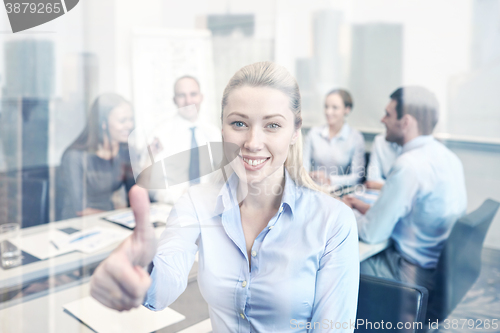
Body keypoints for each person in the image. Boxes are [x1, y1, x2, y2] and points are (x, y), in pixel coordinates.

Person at [90, 62, 359, 332]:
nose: (253, 142)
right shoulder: (197, 202)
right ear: (222, 128)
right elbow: (164, 286)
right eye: (239, 123)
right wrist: (143, 269)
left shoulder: (332, 221)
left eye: (273, 125)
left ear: (295, 131)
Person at [343, 86, 467, 290]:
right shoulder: (448, 157)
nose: (383, 120)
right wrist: (362, 207)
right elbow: (409, 215)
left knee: (340, 263)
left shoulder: (408, 166)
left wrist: (343, 209)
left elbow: (371, 234)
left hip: (411, 273)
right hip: (437, 269)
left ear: (406, 122)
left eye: (388, 114)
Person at [59, 93, 136, 220]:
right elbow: (80, 210)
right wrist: (118, 214)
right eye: (123, 121)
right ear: (103, 123)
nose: (130, 125)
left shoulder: (125, 151)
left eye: (131, 119)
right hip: (78, 224)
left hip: (110, 219)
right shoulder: (74, 157)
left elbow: (133, 192)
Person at [147, 75, 221, 204]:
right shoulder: (160, 134)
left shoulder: (213, 132)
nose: (188, 101)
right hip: (172, 206)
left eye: (193, 94)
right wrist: (180, 197)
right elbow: (152, 183)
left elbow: (220, 175)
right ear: (174, 100)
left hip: (209, 205)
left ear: (201, 97)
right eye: (182, 95)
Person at [303, 89, 365, 188]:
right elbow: (303, 166)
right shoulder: (313, 133)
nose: (328, 112)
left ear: (347, 109)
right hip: (313, 188)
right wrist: (306, 176)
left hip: (339, 192)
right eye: (326, 107)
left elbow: (357, 177)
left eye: (335, 107)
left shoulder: (356, 138)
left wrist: (329, 180)